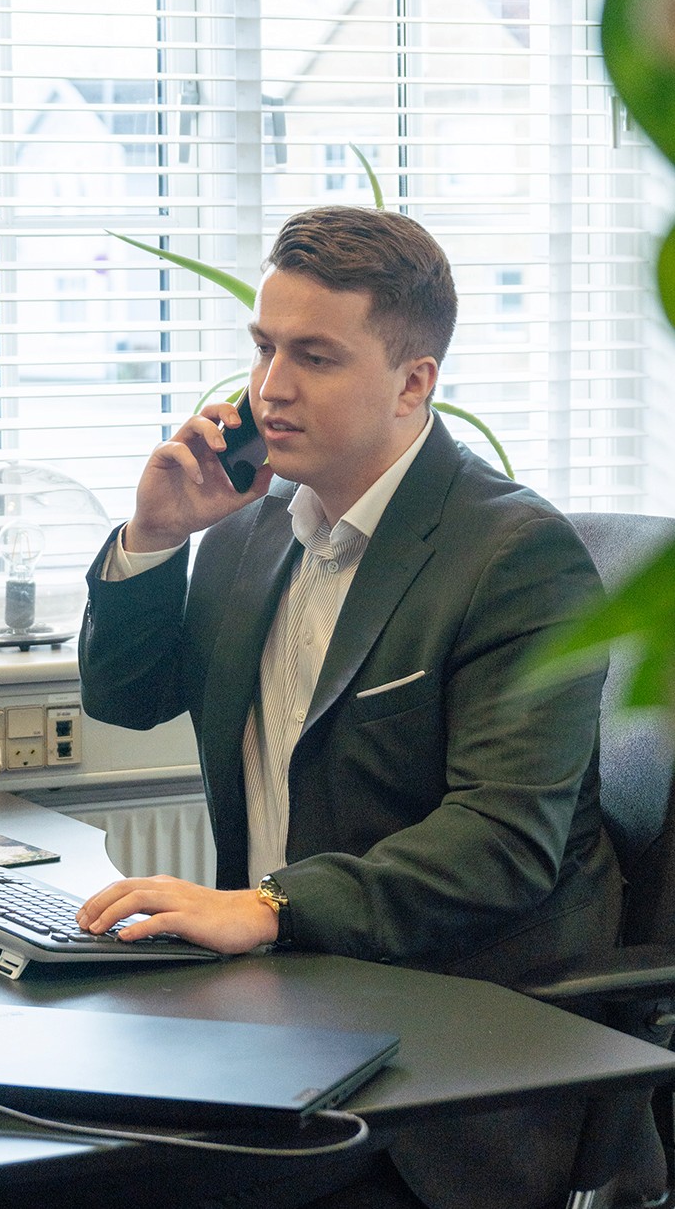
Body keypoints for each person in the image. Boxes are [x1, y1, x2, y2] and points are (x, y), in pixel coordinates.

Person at [76, 207, 656, 1209]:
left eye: (314, 357)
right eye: (264, 347)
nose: (270, 388)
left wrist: (267, 908)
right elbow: (127, 701)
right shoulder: (250, 529)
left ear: (412, 382)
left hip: (454, 1067)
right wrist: (155, 537)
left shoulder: (513, 556)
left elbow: (503, 840)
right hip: (288, 1020)